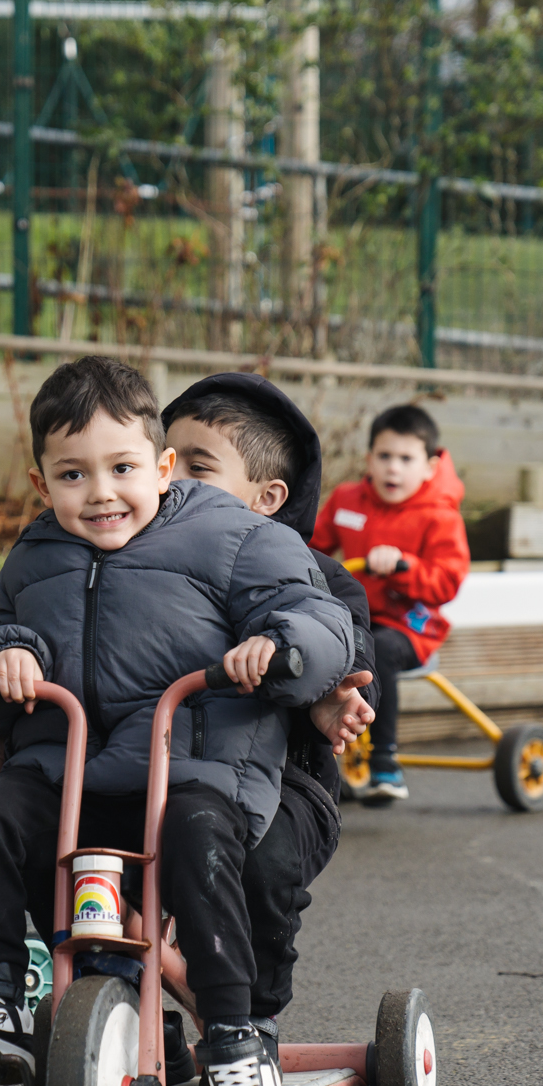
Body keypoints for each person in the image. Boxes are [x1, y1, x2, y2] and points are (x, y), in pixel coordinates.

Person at [0, 356, 354, 1086]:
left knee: (197, 838)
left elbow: (315, 613)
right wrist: (6, 662)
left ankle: (235, 1037)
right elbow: (7, 632)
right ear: (42, 483)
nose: (101, 493)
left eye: (122, 468)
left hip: (193, 770)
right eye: (73, 475)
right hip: (72, 774)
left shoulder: (233, 536)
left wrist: (279, 646)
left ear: (162, 465)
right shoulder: (35, 555)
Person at [159, 374, 376, 1033]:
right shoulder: (137, 559)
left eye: (198, 467)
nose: (172, 479)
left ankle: (255, 1014)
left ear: (267, 498)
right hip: (159, 770)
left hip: (282, 782)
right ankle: (106, 996)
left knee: (262, 859)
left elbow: (346, 646)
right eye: (166, 460)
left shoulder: (318, 575)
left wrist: (327, 693)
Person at [311, 405, 470, 805]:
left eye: (405, 459)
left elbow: (447, 582)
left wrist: (404, 566)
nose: (393, 468)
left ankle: (385, 760)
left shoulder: (440, 517)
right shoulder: (347, 501)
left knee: (376, 651)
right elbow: (313, 547)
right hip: (353, 618)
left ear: (430, 467)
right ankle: (318, 761)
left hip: (409, 625)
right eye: (384, 456)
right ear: (369, 459)